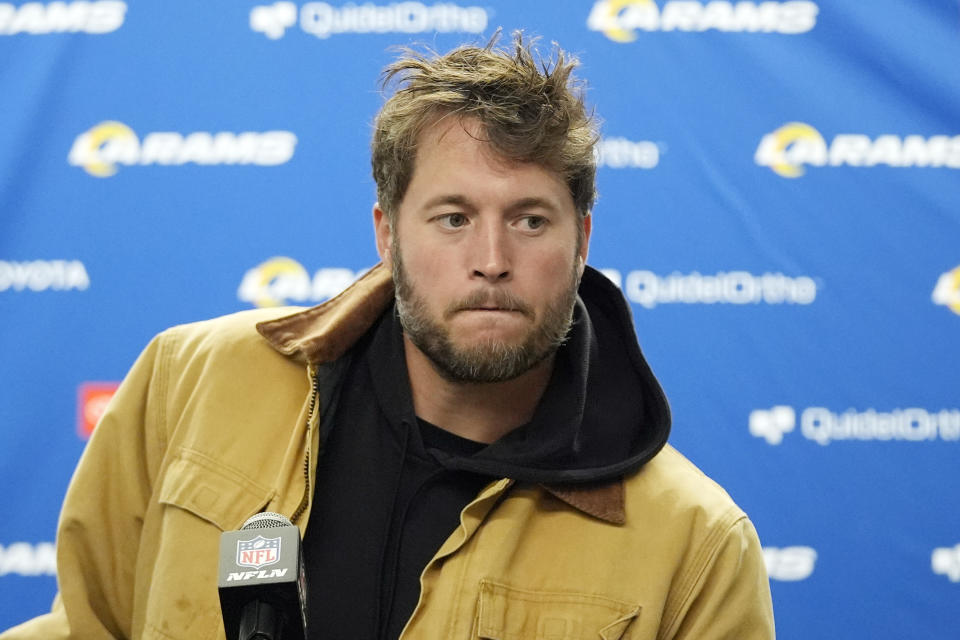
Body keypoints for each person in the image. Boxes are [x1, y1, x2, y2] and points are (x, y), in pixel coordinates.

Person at [2, 33, 774, 639]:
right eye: (453, 218)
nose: (492, 262)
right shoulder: (191, 379)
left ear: (582, 241)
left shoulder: (694, 544)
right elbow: (86, 628)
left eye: (530, 221)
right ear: (386, 234)